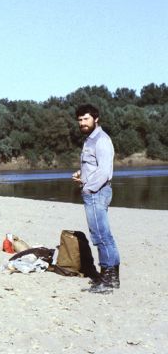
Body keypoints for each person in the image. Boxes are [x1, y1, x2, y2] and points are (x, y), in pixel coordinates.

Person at [71, 104, 120, 294]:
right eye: (80, 120)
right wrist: (81, 174)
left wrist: (88, 189)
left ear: (96, 118)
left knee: (100, 236)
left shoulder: (101, 140)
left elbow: (105, 172)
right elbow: (94, 167)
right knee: (104, 234)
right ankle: (112, 278)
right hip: (95, 190)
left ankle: (107, 280)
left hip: (97, 193)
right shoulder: (90, 140)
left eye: (86, 119)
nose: (82, 123)